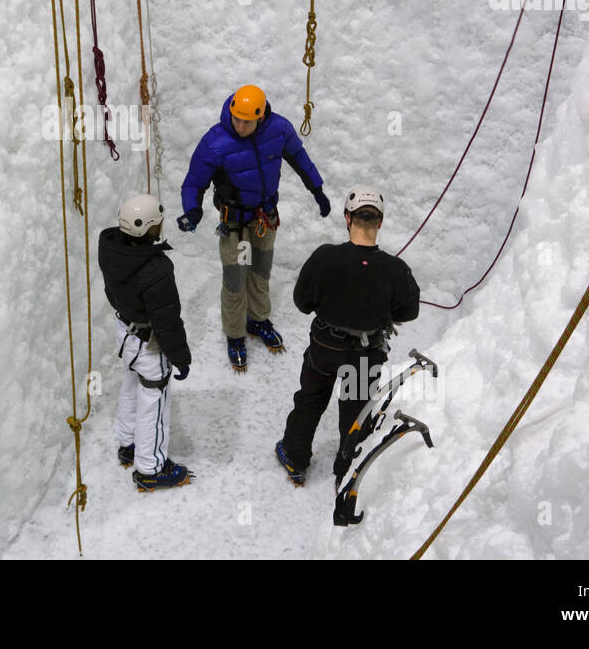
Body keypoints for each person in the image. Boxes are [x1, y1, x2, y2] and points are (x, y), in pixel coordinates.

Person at [176, 84, 331, 371]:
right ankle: (235, 334)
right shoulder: (216, 142)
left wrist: (317, 190)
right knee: (235, 279)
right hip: (233, 222)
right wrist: (192, 211)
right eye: (236, 118)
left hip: (264, 217)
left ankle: (258, 320)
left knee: (260, 272)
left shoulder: (279, 130)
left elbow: (299, 158)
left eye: (246, 121)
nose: (240, 125)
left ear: (260, 117)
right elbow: (194, 182)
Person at [275, 185, 420, 487]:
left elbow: (302, 303)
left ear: (347, 218)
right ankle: (347, 468)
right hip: (366, 354)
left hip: (325, 348)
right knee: (356, 410)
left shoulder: (325, 258)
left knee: (311, 400)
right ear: (379, 222)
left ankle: (295, 457)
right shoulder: (395, 269)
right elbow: (409, 311)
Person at [98, 194, 193, 490]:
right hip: (148, 344)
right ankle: (150, 467)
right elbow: (167, 321)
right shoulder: (156, 270)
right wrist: (181, 357)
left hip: (124, 332)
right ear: (150, 228)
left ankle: (128, 444)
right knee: (155, 399)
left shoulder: (110, 248)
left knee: (130, 384)